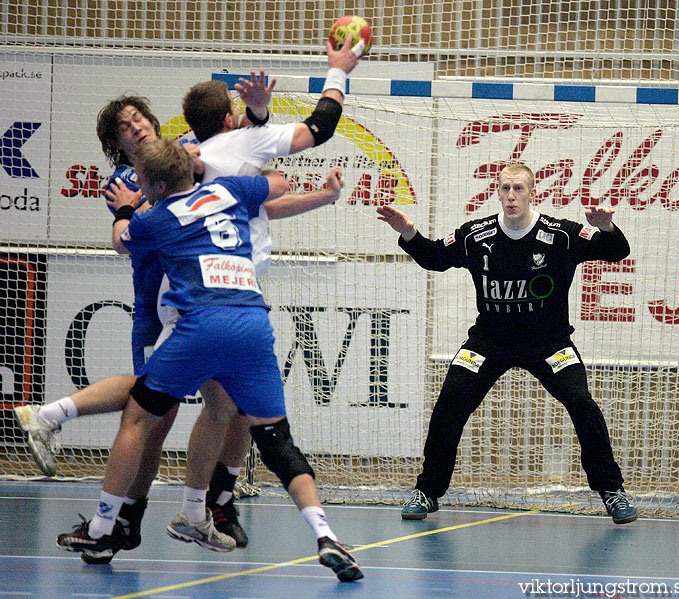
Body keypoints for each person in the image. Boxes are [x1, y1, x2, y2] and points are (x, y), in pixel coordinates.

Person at [57, 138, 363, 582]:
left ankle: (103, 526)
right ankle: (325, 534)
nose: (138, 186)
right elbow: (277, 182)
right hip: (253, 325)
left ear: (158, 184)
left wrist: (126, 208)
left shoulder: (156, 218)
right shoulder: (233, 191)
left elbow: (123, 241)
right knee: (277, 442)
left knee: (137, 418)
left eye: (142, 182)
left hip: (199, 325)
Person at [167, 32, 361, 546]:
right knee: (169, 406)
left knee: (226, 408)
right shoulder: (239, 146)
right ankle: (182, 507)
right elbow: (319, 129)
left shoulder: (203, 156)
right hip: (219, 300)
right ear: (230, 116)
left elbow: (265, 204)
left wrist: (320, 196)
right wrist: (339, 68)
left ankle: (216, 501)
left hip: (210, 293)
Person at [376, 163, 638, 525]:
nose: (511, 195)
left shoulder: (560, 234)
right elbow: (435, 258)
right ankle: (427, 491)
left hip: (548, 342)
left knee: (582, 403)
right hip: (490, 341)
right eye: (504, 189)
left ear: (532, 193)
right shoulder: (476, 235)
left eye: (518, 188)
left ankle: (612, 491)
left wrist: (606, 227)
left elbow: (615, 252)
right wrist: (408, 233)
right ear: (497, 193)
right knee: (450, 402)